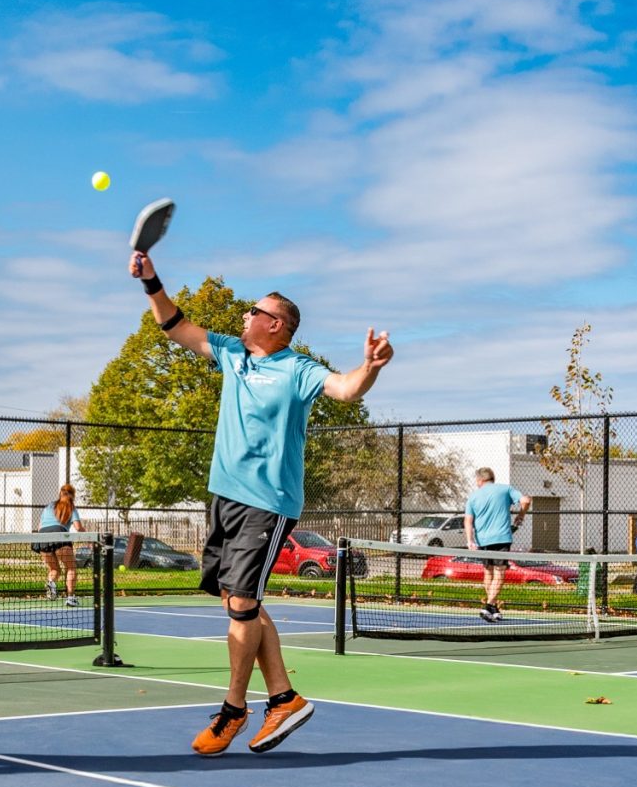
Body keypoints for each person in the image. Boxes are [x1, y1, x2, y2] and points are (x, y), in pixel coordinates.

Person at [129, 248, 392, 757]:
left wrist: (371, 366)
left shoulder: (299, 370)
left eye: (255, 311)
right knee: (237, 602)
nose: (245, 316)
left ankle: (233, 709)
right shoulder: (232, 352)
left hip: (267, 502)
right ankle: (284, 698)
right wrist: (151, 279)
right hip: (223, 496)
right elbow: (175, 325)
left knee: (243, 604)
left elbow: (346, 390)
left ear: (277, 325)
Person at [462, 466, 531, 623]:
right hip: (502, 538)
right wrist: (521, 515)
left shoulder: (473, 497)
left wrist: (469, 540)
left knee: (488, 573)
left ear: (479, 480)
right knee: (499, 574)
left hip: (482, 541)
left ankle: (492, 608)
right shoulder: (505, 489)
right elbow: (526, 500)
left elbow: (468, 520)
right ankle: (488, 606)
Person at [34, 481, 82, 607]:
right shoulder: (71, 507)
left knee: (54, 569)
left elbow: (39, 527)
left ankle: (51, 582)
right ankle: (71, 598)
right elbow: (78, 527)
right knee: (71, 567)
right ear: (73, 495)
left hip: (43, 537)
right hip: (60, 535)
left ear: (60, 494)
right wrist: (91, 537)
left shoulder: (48, 506)